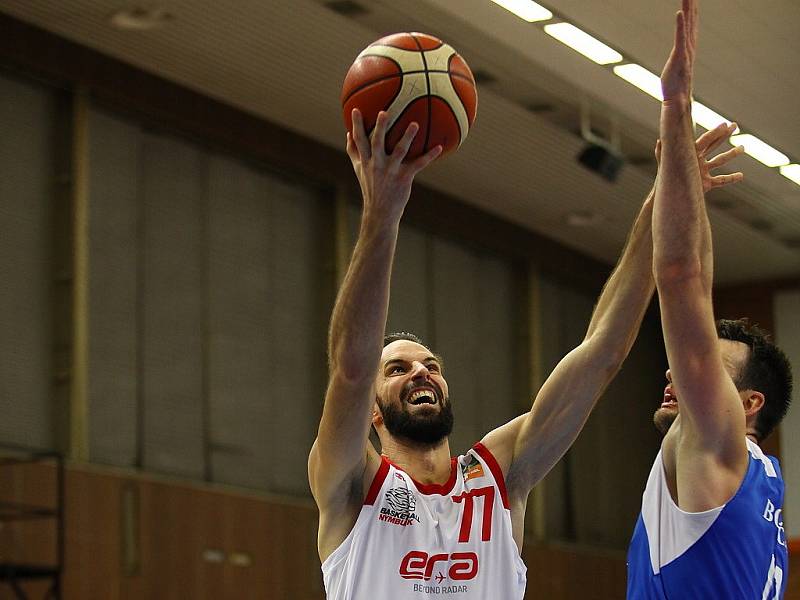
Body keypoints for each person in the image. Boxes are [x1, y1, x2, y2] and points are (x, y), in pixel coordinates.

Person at [309, 81, 742, 597]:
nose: (421, 371)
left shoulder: (500, 471)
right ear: (372, 413)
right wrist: (384, 211)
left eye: (431, 364)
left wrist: (660, 203)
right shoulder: (350, 482)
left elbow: (601, 352)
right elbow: (352, 368)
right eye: (397, 368)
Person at [626, 1, 793, 598]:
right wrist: (685, 191)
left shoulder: (715, 438)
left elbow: (678, 275)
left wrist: (674, 111)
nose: (676, 366)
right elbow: (698, 277)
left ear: (747, 404)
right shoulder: (759, 479)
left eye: (708, 369)